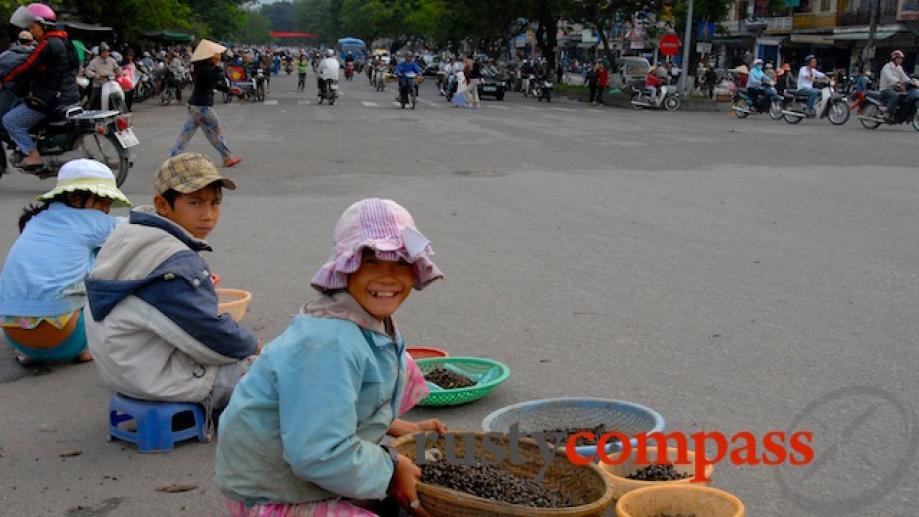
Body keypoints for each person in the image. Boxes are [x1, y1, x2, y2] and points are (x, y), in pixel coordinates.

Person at [215, 198, 446, 517]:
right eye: (370, 262)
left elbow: (342, 400)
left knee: (399, 364)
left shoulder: (370, 319)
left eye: (401, 262)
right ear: (346, 267)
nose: (388, 277)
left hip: (307, 455)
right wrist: (392, 469)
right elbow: (316, 452)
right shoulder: (329, 343)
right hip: (270, 492)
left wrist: (400, 427)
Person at [85, 153, 258, 413]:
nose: (208, 215)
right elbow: (209, 338)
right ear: (162, 205)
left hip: (121, 370)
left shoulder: (130, 233)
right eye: (195, 203)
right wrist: (250, 345)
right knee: (273, 371)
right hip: (158, 379)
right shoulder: (175, 261)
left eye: (215, 203)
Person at [1, 159, 131, 366]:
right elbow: (136, 228)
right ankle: (87, 346)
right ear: (76, 197)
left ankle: (34, 352)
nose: (107, 211)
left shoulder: (37, 220)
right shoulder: (91, 222)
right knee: (105, 258)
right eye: (104, 202)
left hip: (16, 336)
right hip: (67, 340)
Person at [2, 3, 79, 169]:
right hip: (69, 95)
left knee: (10, 121)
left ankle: (32, 154)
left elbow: (27, 67)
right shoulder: (64, 41)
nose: (31, 32)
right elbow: (71, 65)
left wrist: (5, 79)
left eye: (33, 28)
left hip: (48, 98)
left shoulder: (46, 44)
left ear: (42, 26)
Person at [169, 40, 242, 168]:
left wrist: (229, 89)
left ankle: (172, 157)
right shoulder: (206, 70)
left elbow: (216, 85)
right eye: (216, 55)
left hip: (195, 105)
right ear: (209, 57)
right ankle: (227, 157)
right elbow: (216, 79)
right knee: (215, 132)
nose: (218, 57)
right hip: (202, 106)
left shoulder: (201, 68)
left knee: (186, 133)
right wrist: (220, 70)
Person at [0, 31, 36, 118]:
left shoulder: (5, 54)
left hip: (5, 90)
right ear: (31, 41)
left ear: (18, 41)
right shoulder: (34, 56)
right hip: (23, 92)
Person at [879, 50, 916, 121]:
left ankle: (900, 115)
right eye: (899, 58)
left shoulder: (899, 68)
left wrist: (912, 81)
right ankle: (887, 113)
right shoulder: (887, 67)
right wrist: (899, 81)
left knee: (906, 97)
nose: (900, 60)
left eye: (901, 58)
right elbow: (889, 77)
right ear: (894, 59)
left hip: (895, 88)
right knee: (895, 95)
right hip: (885, 89)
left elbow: (905, 77)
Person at [83, 42, 121, 110]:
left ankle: (118, 110)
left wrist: (118, 73)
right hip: (98, 85)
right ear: (100, 52)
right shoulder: (94, 61)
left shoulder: (112, 60)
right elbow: (87, 71)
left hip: (110, 84)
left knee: (118, 97)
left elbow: (117, 69)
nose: (106, 53)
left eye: (107, 52)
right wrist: (97, 76)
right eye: (104, 52)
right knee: (94, 102)